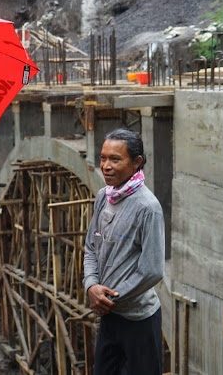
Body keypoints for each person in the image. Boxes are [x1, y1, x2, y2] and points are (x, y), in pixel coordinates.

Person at [83, 128, 165, 374]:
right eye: (103, 158)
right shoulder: (103, 197)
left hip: (139, 319)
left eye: (115, 159)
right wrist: (91, 286)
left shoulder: (147, 208)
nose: (106, 166)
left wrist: (107, 299)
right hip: (109, 317)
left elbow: (152, 271)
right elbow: (90, 247)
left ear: (136, 163)